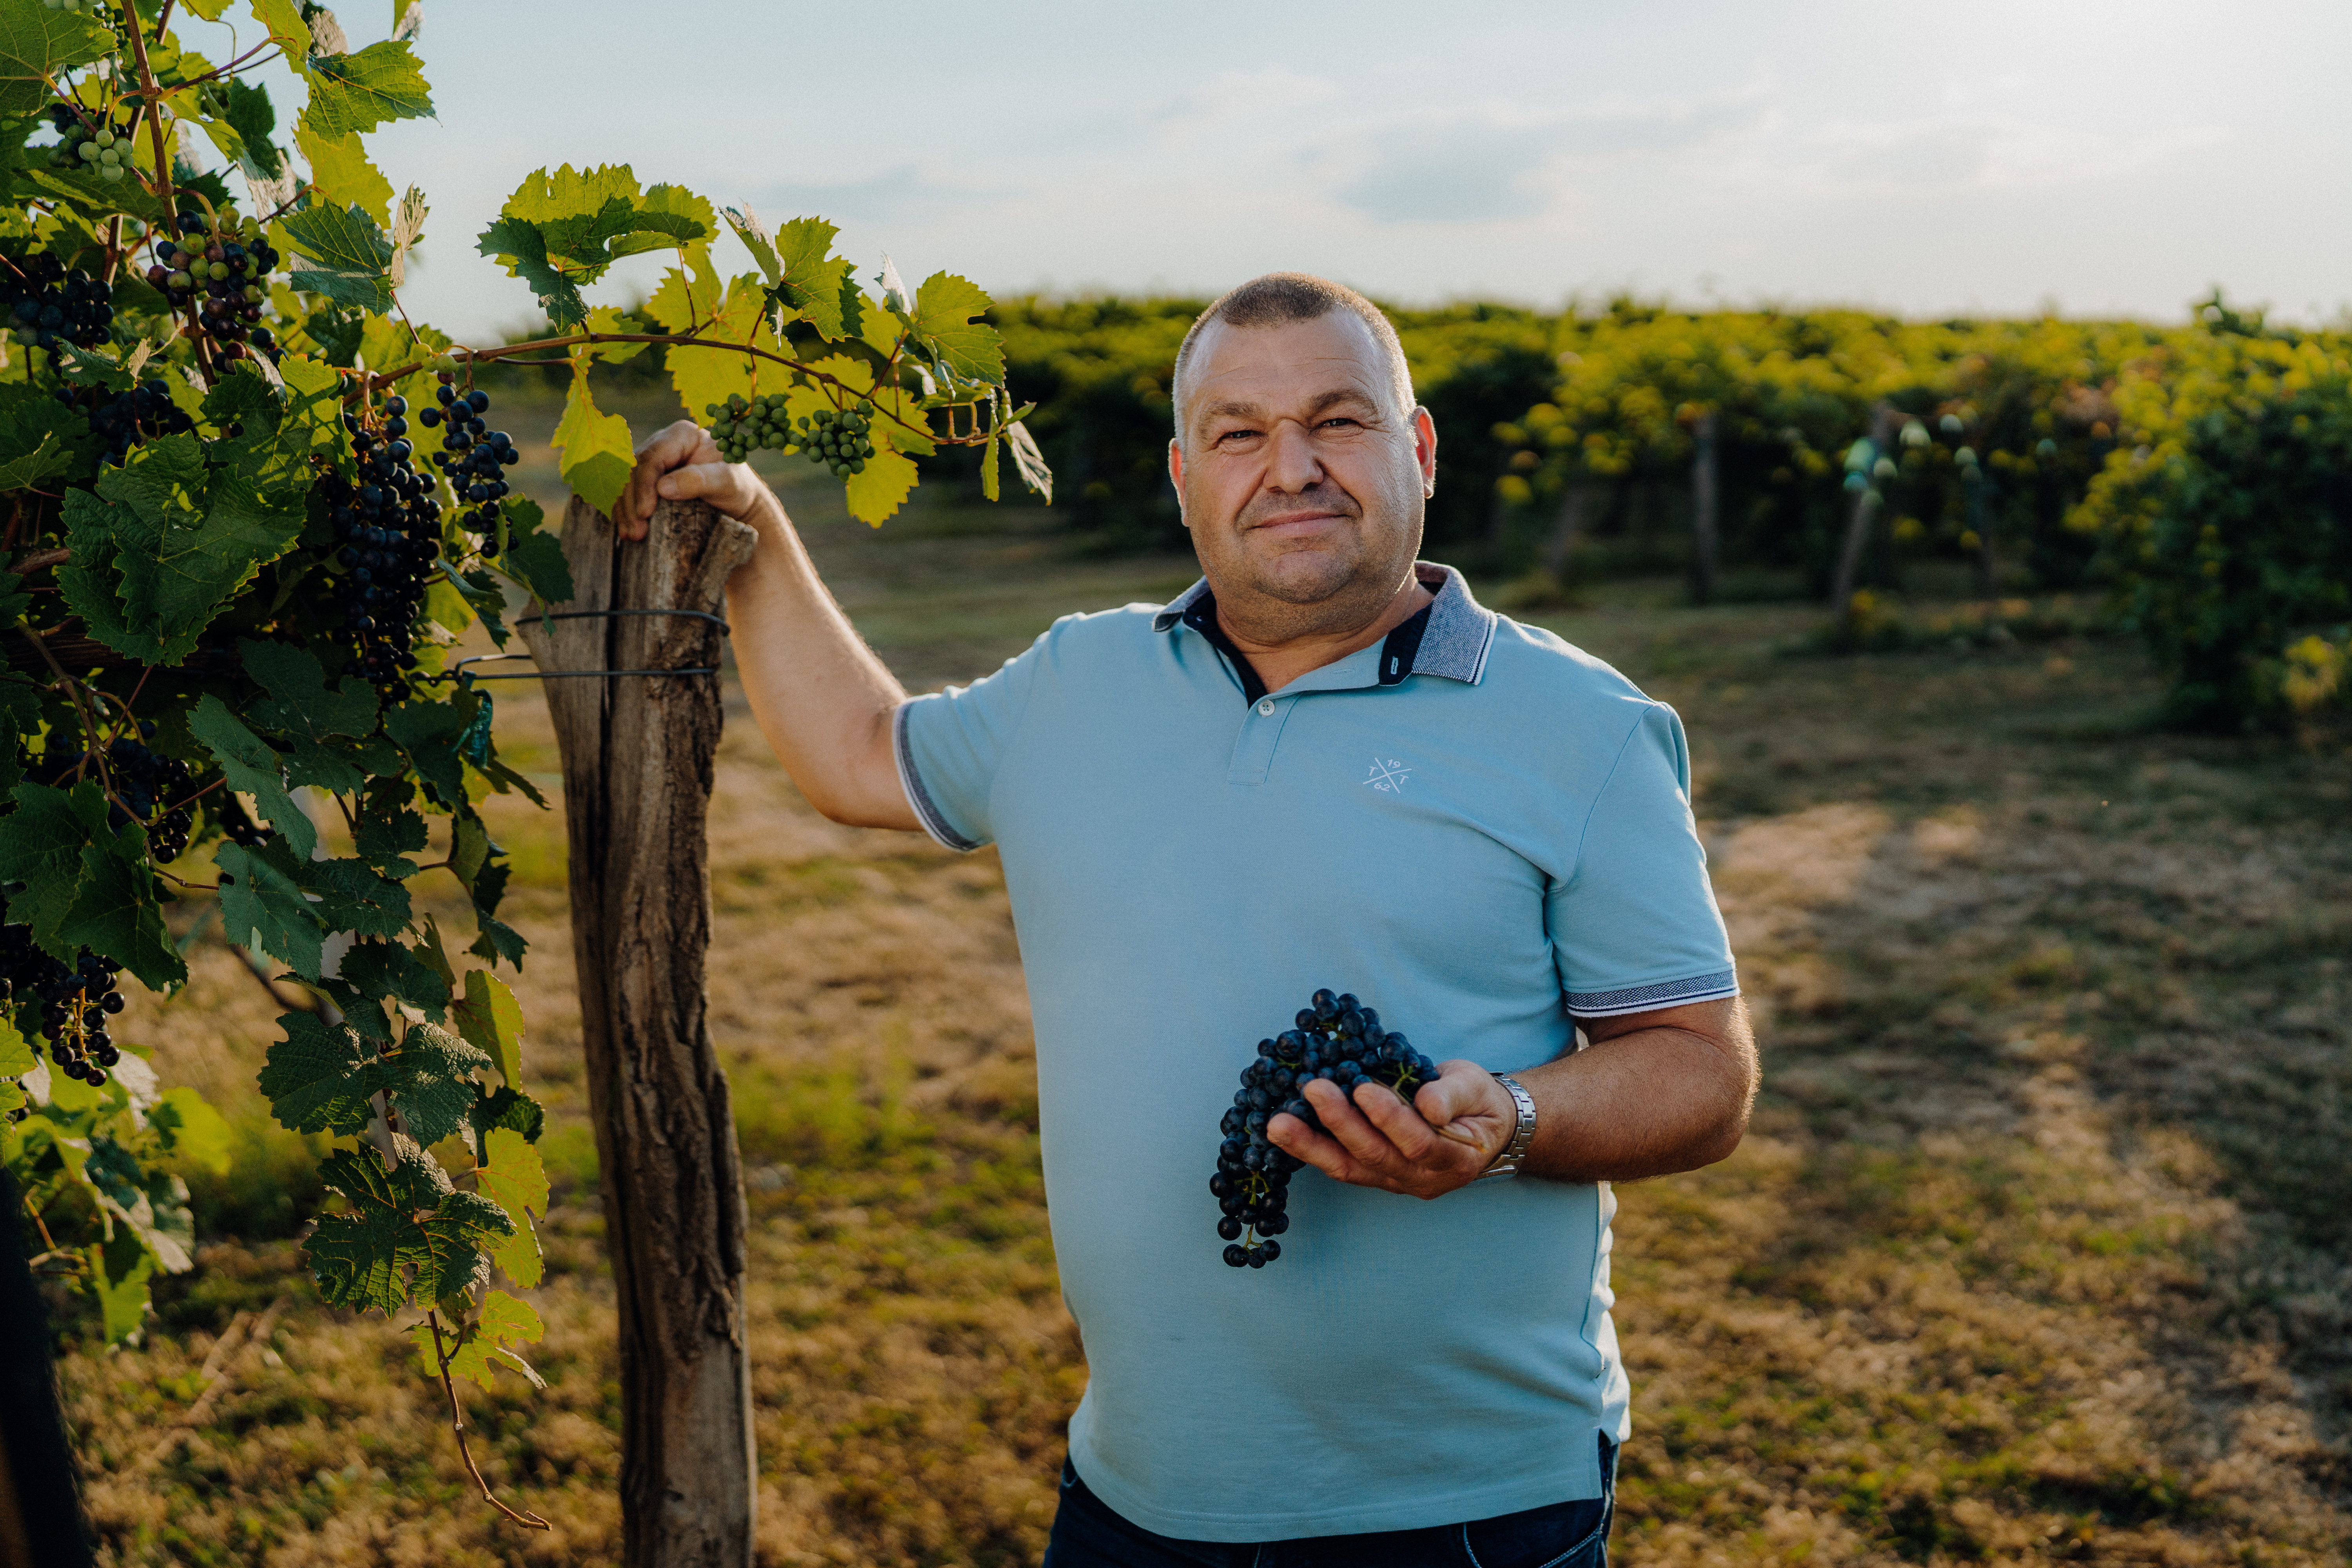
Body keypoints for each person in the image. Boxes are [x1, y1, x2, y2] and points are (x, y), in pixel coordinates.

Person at [617, 272, 1756, 1568]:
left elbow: (1702, 1074)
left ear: (1417, 447)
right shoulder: (1076, 682)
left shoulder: (1585, 731)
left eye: (1339, 421)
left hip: (1464, 1514)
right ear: (1182, 472)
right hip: (1135, 1494)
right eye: (1239, 432)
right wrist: (757, 529)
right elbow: (862, 752)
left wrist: (1514, 1121)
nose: (1292, 469)